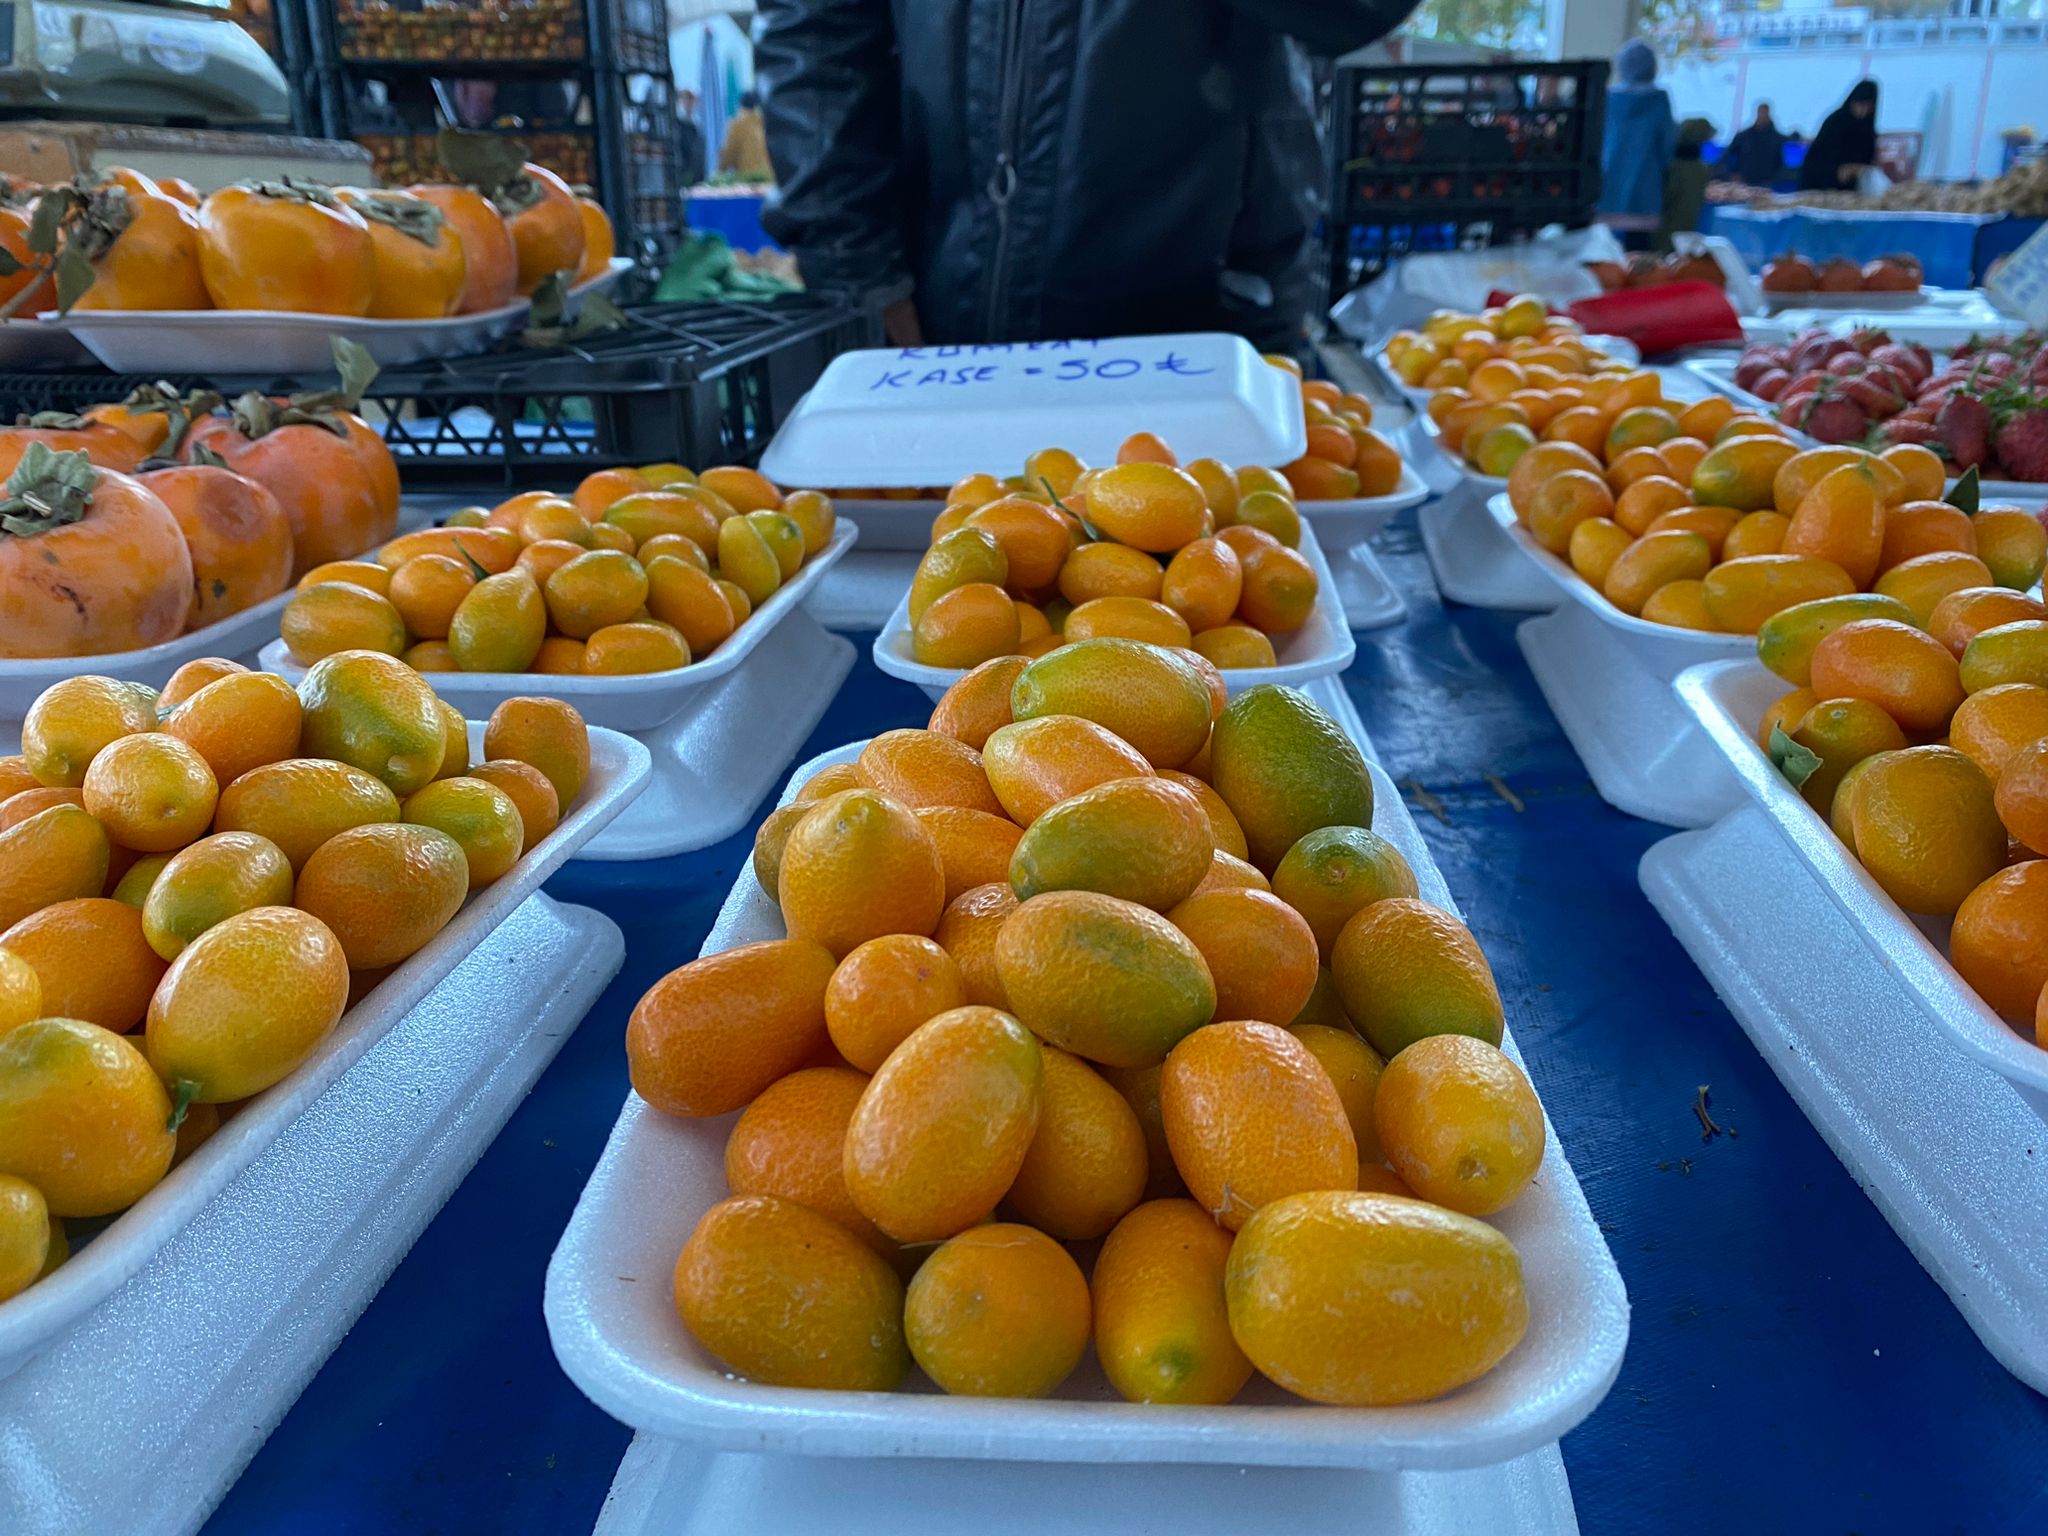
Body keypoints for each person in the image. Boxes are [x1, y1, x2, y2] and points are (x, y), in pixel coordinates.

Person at [752, 1, 1416, 349]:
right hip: (933, 315)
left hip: (1211, 308)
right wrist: (858, 270)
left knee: (1215, 576)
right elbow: (817, 36)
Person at [1598, 40, 1676, 252]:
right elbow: (1667, 143)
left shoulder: (1609, 99)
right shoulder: (1659, 100)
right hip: (1646, 183)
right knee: (1639, 256)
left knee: (1602, 251)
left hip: (1608, 182)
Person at [1798, 80, 1879, 192]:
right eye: (1861, 105)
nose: (1864, 111)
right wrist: (1836, 171)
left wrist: (1857, 168)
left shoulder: (1867, 129)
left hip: (1850, 192)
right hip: (1819, 187)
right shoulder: (1835, 123)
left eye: (1868, 107)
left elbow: (1867, 158)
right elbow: (1819, 158)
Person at [1661, 117, 1715, 249]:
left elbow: (1666, 195)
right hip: (1684, 227)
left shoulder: (1673, 166)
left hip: (1667, 228)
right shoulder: (1700, 169)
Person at [1725, 103, 1786, 187]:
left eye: (1765, 112)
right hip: (1744, 181)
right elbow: (1730, 155)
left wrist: (1773, 177)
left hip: (1766, 182)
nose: (1763, 115)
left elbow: (1779, 160)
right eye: (1761, 112)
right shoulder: (1744, 136)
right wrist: (1734, 172)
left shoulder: (1775, 138)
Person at [718, 90, 774, 181]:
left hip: (748, 179)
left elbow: (729, 152)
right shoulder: (764, 122)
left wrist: (720, 172)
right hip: (768, 178)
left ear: (740, 105)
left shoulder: (737, 124)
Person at [675, 88, 708, 187]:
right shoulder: (677, 125)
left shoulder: (697, 124)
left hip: (697, 180)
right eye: (686, 99)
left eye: (692, 99)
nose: (689, 103)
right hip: (682, 178)